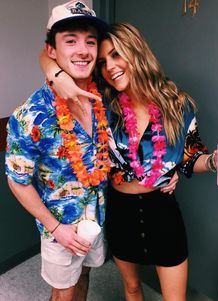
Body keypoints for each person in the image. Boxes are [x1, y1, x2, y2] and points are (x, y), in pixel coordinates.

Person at [39, 22, 216, 301]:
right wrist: (54, 73)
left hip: (162, 211)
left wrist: (216, 161)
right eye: (103, 61)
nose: (110, 67)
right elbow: (47, 53)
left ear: (136, 53)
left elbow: (189, 158)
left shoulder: (177, 104)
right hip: (120, 212)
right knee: (132, 289)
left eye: (117, 55)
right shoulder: (102, 102)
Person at [5, 1, 111, 301]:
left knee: (84, 278)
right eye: (70, 40)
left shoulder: (100, 95)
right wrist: (56, 228)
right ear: (52, 50)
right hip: (59, 226)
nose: (82, 50)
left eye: (90, 41)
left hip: (95, 216)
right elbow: (17, 181)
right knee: (63, 293)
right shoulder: (31, 115)